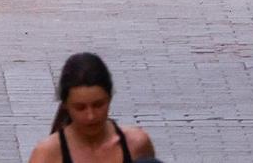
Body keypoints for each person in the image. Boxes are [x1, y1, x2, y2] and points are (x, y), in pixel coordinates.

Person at [27, 53, 156, 163]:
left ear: (109, 98)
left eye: (98, 105)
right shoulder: (47, 155)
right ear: (66, 105)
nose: (91, 116)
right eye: (80, 108)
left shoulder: (137, 144)